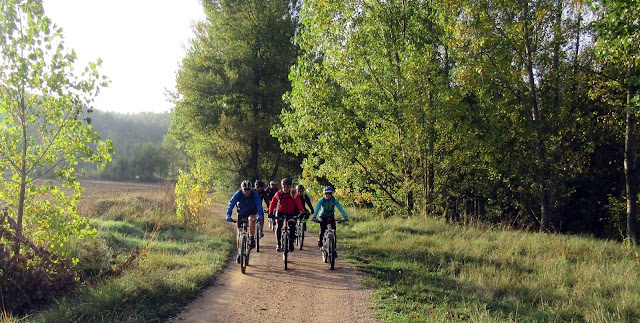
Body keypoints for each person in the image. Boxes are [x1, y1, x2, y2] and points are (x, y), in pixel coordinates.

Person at [226, 180, 264, 263]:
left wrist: (260, 214)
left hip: (251, 212)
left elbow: (258, 203)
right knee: (239, 232)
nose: (247, 192)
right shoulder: (238, 194)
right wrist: (228, 214)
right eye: (245, 190)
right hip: (241, 213)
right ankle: (239, 253)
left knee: (251, 219)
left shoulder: (254, 194)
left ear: (251, 189)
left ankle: (251, 237)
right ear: (242, 189)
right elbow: (231, 203)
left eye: (248, 190)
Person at [268, 177, 304, 252]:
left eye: (287, 187)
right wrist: (270, 212)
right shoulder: (279, 193)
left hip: (291, 212)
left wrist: (301, 212)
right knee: (279, 226)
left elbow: (298, 203)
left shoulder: (293, 193)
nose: (286, 188)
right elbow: (273, 203)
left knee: (292, 227)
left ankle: (291, 243)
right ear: (282, 186)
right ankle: (278, 243)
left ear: (290, 187)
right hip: (281, 212)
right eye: (284, 187)